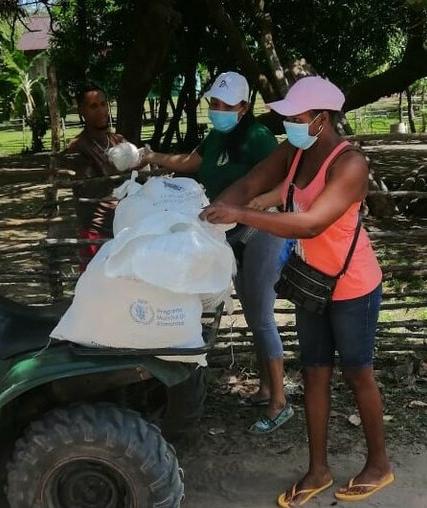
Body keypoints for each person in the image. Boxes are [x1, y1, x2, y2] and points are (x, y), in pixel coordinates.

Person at [199, 76, 393, 507]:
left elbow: (311, 223)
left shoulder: (351, 165)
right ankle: (317, 469)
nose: (289, 124)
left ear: (321, 120)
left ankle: (378, 463)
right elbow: (250, 182)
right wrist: (209, 214)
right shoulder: (296, 151)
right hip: (311, 279)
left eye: (297, 117)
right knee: (314, 372)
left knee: (357, 372)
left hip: (352, 285)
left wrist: (241, 213)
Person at [144, 71, 291, 435]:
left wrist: (260, 204)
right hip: (230, 234)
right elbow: (191, 163)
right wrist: (150, 157)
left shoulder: (258, 138)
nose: (217, 110)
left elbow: (283, 177)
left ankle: (280, 402)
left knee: (261, 316)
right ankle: (265, 389)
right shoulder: (216, 136)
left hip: (261, 231)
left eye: (225, 105)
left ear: (243, 107)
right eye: (213, 103)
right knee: (254, 312)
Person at [63, 82, 128, 269]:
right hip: (96, 231)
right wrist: (119, 168)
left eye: (103, 104)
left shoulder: (119, 141)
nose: (101, 111)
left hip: (123, 226)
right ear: (81, 111)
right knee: (96, 286)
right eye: (93, 106)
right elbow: (88, 188)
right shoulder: (78, 147)